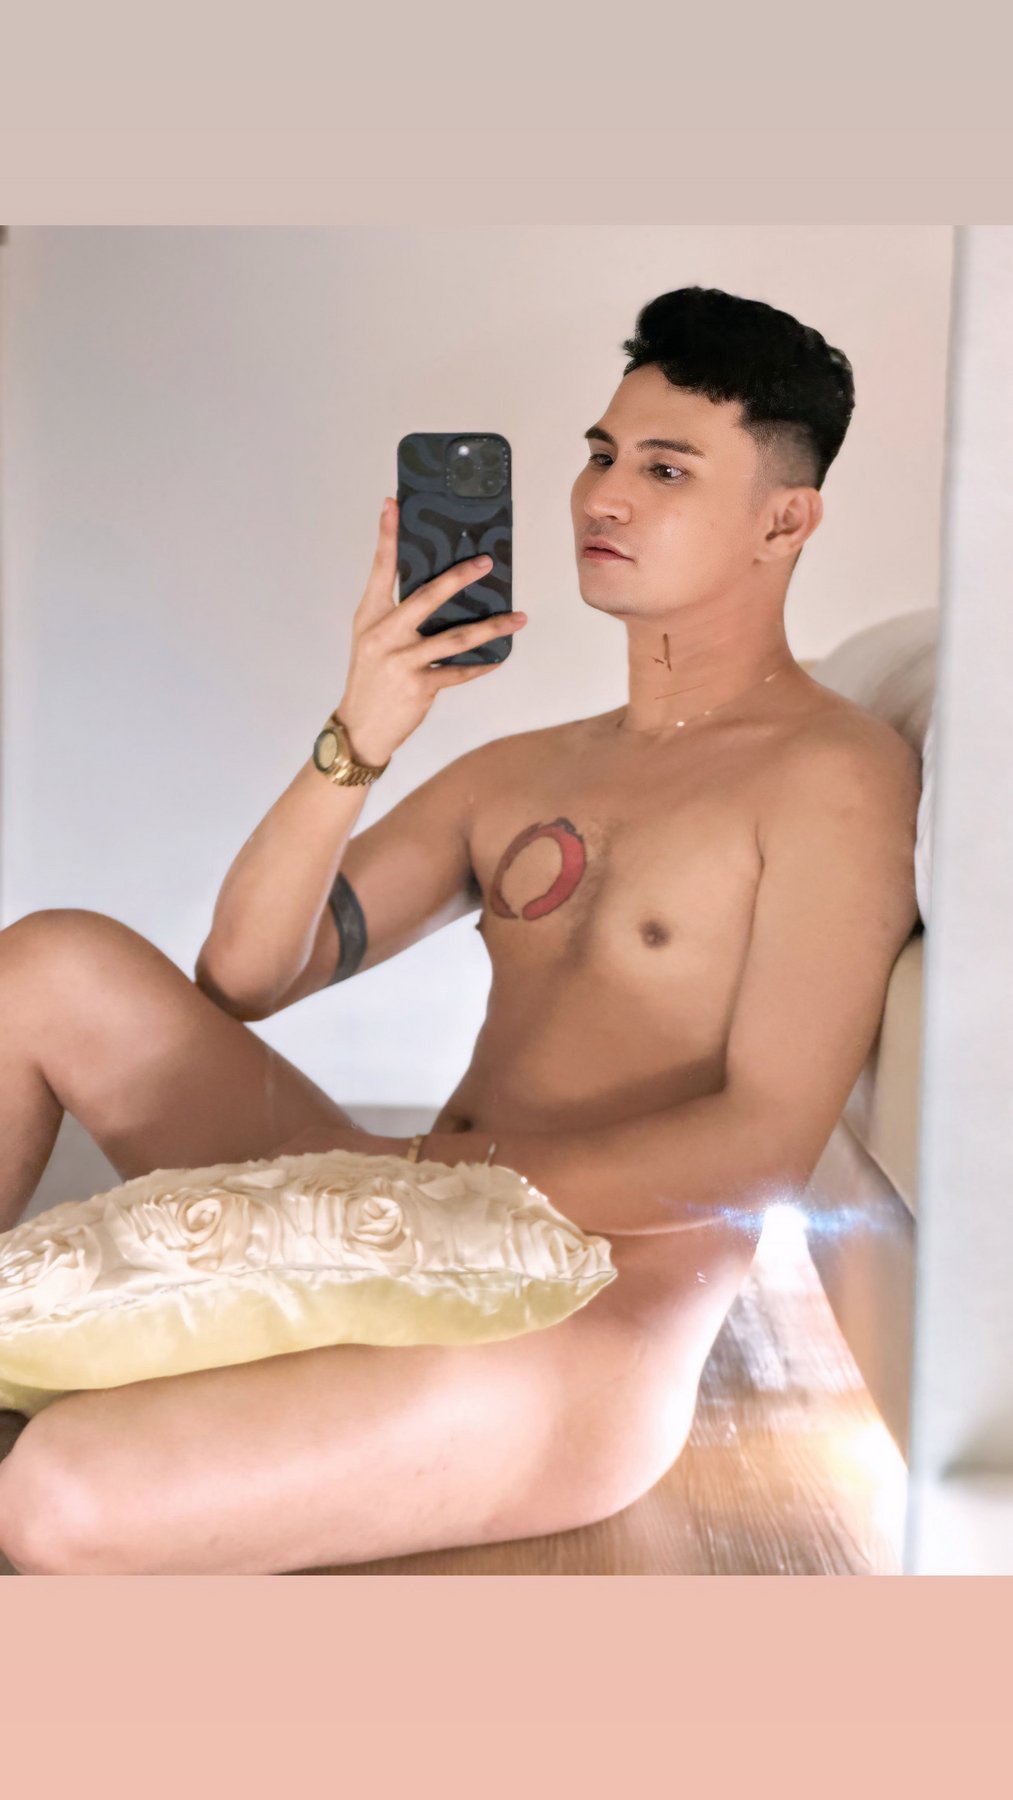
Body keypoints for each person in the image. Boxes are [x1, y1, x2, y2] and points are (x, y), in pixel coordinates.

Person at [0, 285, 920, 1575]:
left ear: (786, 519)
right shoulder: (528, 768)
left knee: (59, 1498)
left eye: (665, 469)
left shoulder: (833, 775)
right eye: (601, 455)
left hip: (579, 1320)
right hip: (406, 1215)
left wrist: (428, 1178)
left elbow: (759, 1150)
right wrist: (362, 727)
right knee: (51, 961)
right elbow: (245, 975)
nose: (604, 497)